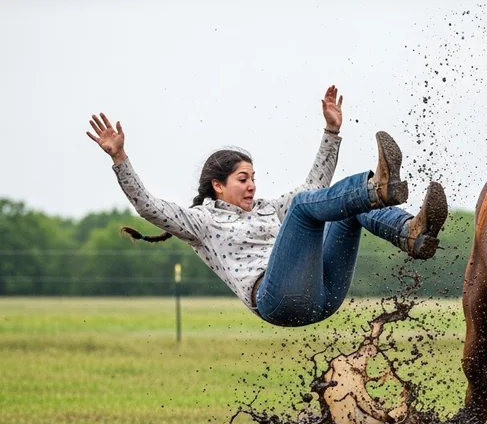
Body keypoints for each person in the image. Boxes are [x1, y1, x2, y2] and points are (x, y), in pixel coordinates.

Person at [86, 86, 448, 327]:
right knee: (306, 207)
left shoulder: (266, 208)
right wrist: (120, 158)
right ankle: (379, 189)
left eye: (253, 177)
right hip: (276, 300)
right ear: (218, 185)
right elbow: (149, 208)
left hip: (323, 295)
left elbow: (317, 187)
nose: (252, 185)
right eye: (243, 179)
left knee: (337, 205)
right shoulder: (201, 222)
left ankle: (410, 233)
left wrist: (331, 133)